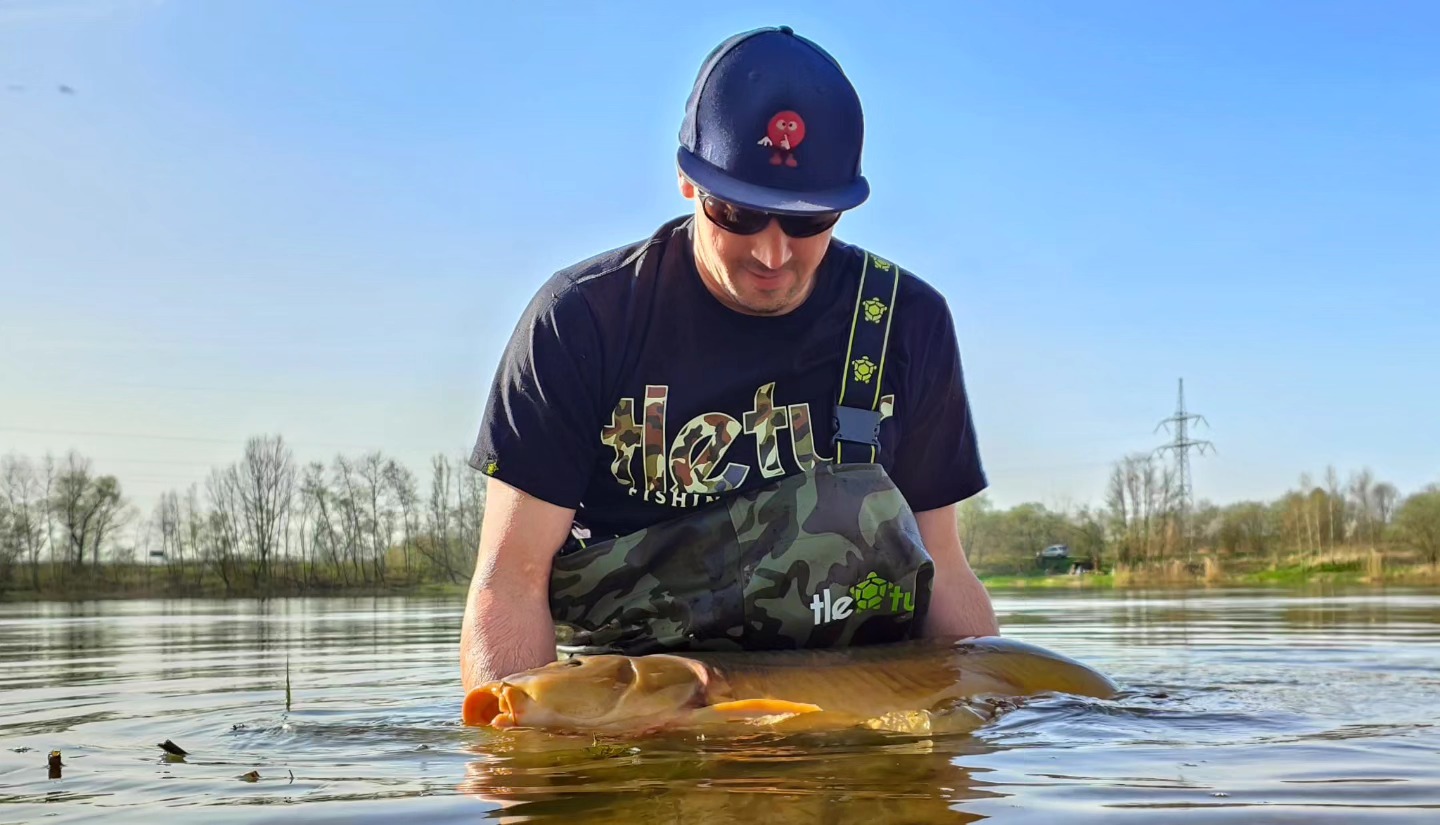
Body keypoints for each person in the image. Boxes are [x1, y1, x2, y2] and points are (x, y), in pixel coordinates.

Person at [461, 25, 997, 693]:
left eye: (807, 220)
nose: (772, 254)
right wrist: (509, 745)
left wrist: (989, 732)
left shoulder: (906, 323)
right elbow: (511, 580)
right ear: (687, 181)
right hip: (642, 711)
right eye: (738, 214)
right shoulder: (580, 319)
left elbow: (943, 566)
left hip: (849, 715)